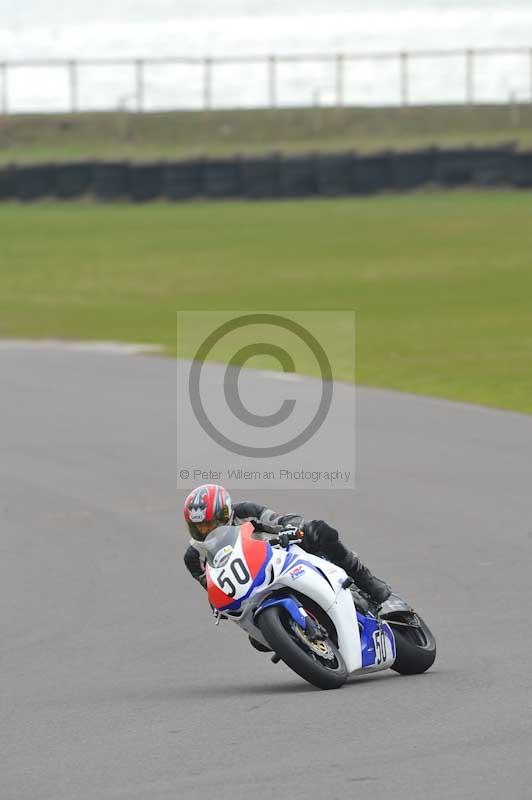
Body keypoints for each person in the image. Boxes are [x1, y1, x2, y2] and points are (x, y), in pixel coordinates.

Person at [182, 483, 392, 606]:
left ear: (225, 513)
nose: (208, 531)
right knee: (258, 642)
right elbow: (213, 588)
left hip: (280, 555)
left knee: (319, 530)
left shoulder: (245, 512)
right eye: (200, 527)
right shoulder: (194, 556)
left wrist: (295, 528)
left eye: (211, 523)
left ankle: (366, 581)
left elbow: (278, 520)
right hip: (252, 587)